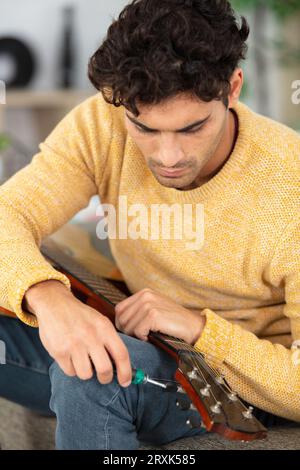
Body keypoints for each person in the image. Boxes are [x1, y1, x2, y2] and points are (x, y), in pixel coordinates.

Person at [0, 0, 299, 450]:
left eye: (192, 128)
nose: (168, 156)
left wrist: (200, 327)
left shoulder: (289, 186)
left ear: (233, 88)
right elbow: (10, 213)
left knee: (94, 377)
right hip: (141, 344)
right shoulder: (103, 122)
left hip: (232, 386)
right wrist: (47, 297)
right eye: (144, 128)